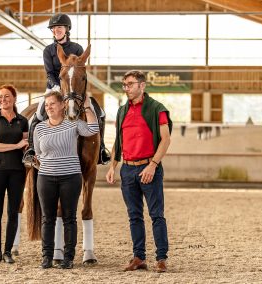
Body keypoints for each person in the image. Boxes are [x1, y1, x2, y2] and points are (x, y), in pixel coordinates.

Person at [105, 70, 173, 273]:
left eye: (130, 84)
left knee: (156, 215)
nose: (126, 88)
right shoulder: (121, 111)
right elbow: (119, 140)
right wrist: (113, 166)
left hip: (149, 168)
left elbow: (166, 139)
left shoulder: (156, 109)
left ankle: (161, 258)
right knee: (134, 216)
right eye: (124, 84)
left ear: (142, 86)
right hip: (128, 170)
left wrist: (153, 165)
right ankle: (139, 257)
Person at [23, 13, 110, 166]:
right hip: (54, 87)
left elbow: (80, 72)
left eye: (60, 27)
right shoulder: (48, 50)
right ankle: (31, 149)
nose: (57, 30)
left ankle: (101, 148)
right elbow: (49, 72)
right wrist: (56, 86)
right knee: (38, 114)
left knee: (99, 112)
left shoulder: (77, 48)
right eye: (54, 28)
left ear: (66, 29)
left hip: (75, 91)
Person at [34, 91, 99, 269]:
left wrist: (87, 105)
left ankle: (68, 258)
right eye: (47, 105)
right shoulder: (39, 128)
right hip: (45, 177)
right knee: (47, 218)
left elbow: (93, 129)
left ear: (62, 105)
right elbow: (39, 153)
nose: (49, 108)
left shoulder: (74, 124)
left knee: (69, 218)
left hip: (70, 177)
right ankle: (46, 257)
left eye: (52, 104)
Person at [0, 84, 29, 264]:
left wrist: (25, 148)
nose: (3, 99)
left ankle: (8, 251)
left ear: (14, 99)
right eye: (0, 97)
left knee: (13, 212)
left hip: (17, 171)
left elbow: (25, 145)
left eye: (7, 96)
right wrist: (15, 146)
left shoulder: (22, 121)